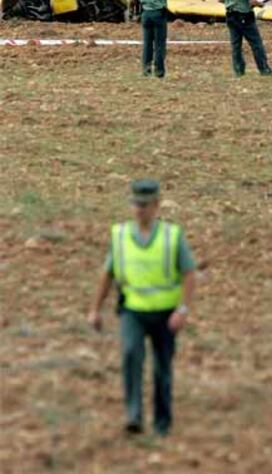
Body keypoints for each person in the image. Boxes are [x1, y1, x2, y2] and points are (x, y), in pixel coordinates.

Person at [88, 179, 196, 436]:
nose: (140, 209)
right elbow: (108, 274)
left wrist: (182, 309)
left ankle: (162, 423)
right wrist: (95, 309)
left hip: (165, 314)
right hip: (133, 311)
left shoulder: (172, 236)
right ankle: (133, 416)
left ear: (157, 205)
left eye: (145, 205)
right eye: (136, 204)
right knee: (130, 355)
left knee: (162, 369)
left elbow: (189, 273)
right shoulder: (121, 235)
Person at [128, 0, 178, 78]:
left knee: (147, 43)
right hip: (159, 14)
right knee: (160, 44)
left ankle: (146, 70)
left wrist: (131, 13)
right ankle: (159, 71)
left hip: (146, 14)